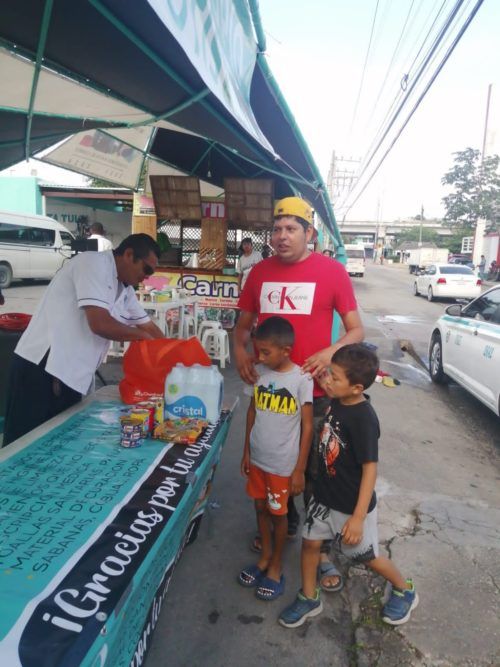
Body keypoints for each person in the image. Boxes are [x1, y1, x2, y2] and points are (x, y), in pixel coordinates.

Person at [234, 196, 364, 587]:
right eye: (276, 229)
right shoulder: (258, 273)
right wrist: (240, 354)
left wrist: (330, 351)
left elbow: (357, 330)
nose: (282, 236)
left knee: (316, 471)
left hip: (316, 392)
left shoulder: (332, 272)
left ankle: (319, 550)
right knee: (271, 457)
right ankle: (284, 522)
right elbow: (242, 327)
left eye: (291, 229)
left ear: (309, 233)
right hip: (271, 391)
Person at [279, 344, 418, 628]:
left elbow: (370, 469)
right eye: (329, 374)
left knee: (366, 557)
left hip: (351, 507)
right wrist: (325, 381)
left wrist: (357, 518)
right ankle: (309, 597)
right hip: (323, 498)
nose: (328, 381)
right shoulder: (340, 399)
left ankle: (404, 589)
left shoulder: (364, 419)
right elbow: (332, 392)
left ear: (356, 388)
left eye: (335, 377)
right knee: (310, 544)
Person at [3, 234, 164, 447]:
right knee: (23, 448)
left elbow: (149, 327)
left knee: (57, 447)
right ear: (128, 254)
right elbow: (100, 324)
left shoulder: (125, 289)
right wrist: (141, 337)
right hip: (43, 368)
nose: (147, 277)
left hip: (73, 376)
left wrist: (173, 356)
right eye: (147, 269)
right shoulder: (92, 264)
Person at [238, 316, 313, 600]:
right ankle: (265, 557)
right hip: (258, 459)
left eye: (266, 352)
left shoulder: (301, 379)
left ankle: (276, 566)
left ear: (286, 350)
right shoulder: (259, 373)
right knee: (260, 508)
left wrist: (299, 469)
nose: (260, 357)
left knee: (279, 515)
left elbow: (307, 426)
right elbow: (252, 412)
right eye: (259, 351)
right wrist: (246, 451)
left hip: (282, 465)